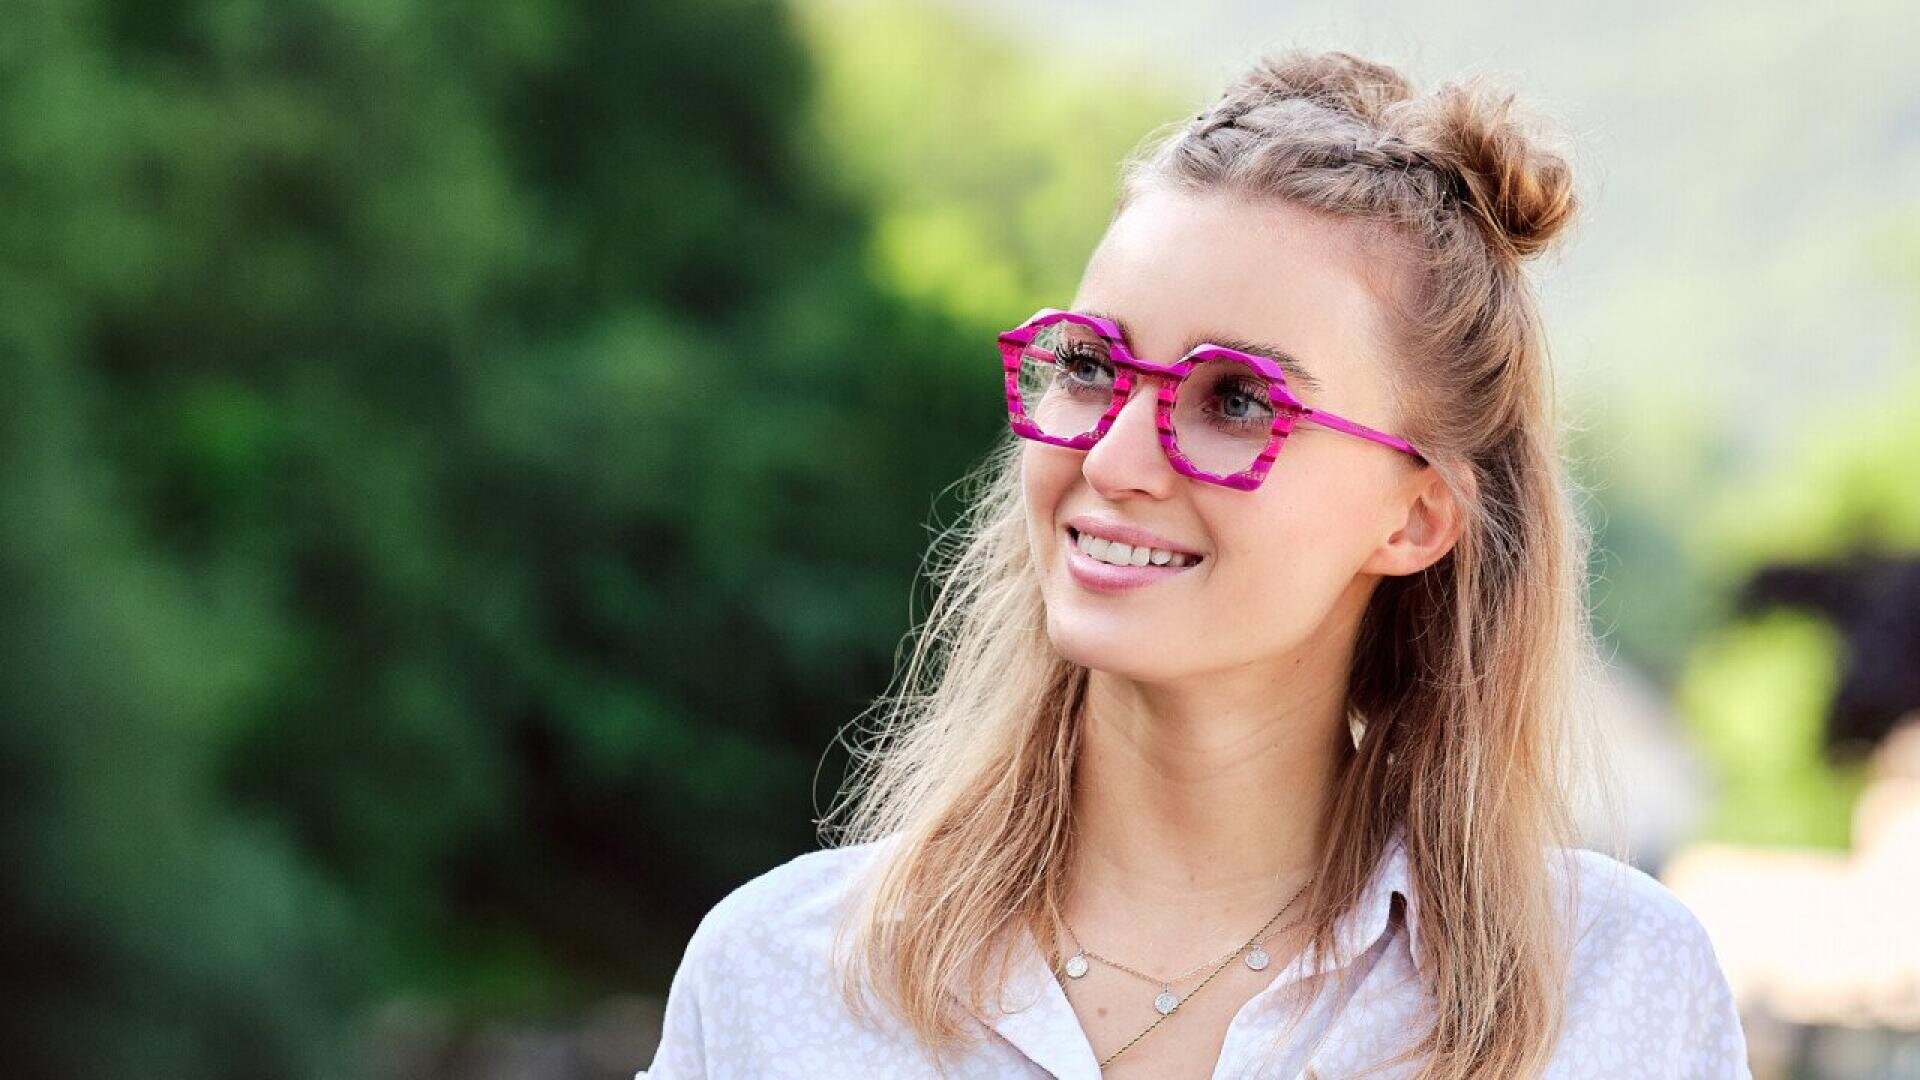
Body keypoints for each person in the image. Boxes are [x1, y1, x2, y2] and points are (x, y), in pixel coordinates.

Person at [639, 47, 1751, 1079]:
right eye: (1090, 365)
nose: (1114, 460)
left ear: (1414, 518)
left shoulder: (1615, 997)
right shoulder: (780, 980)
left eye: (1237, 401)